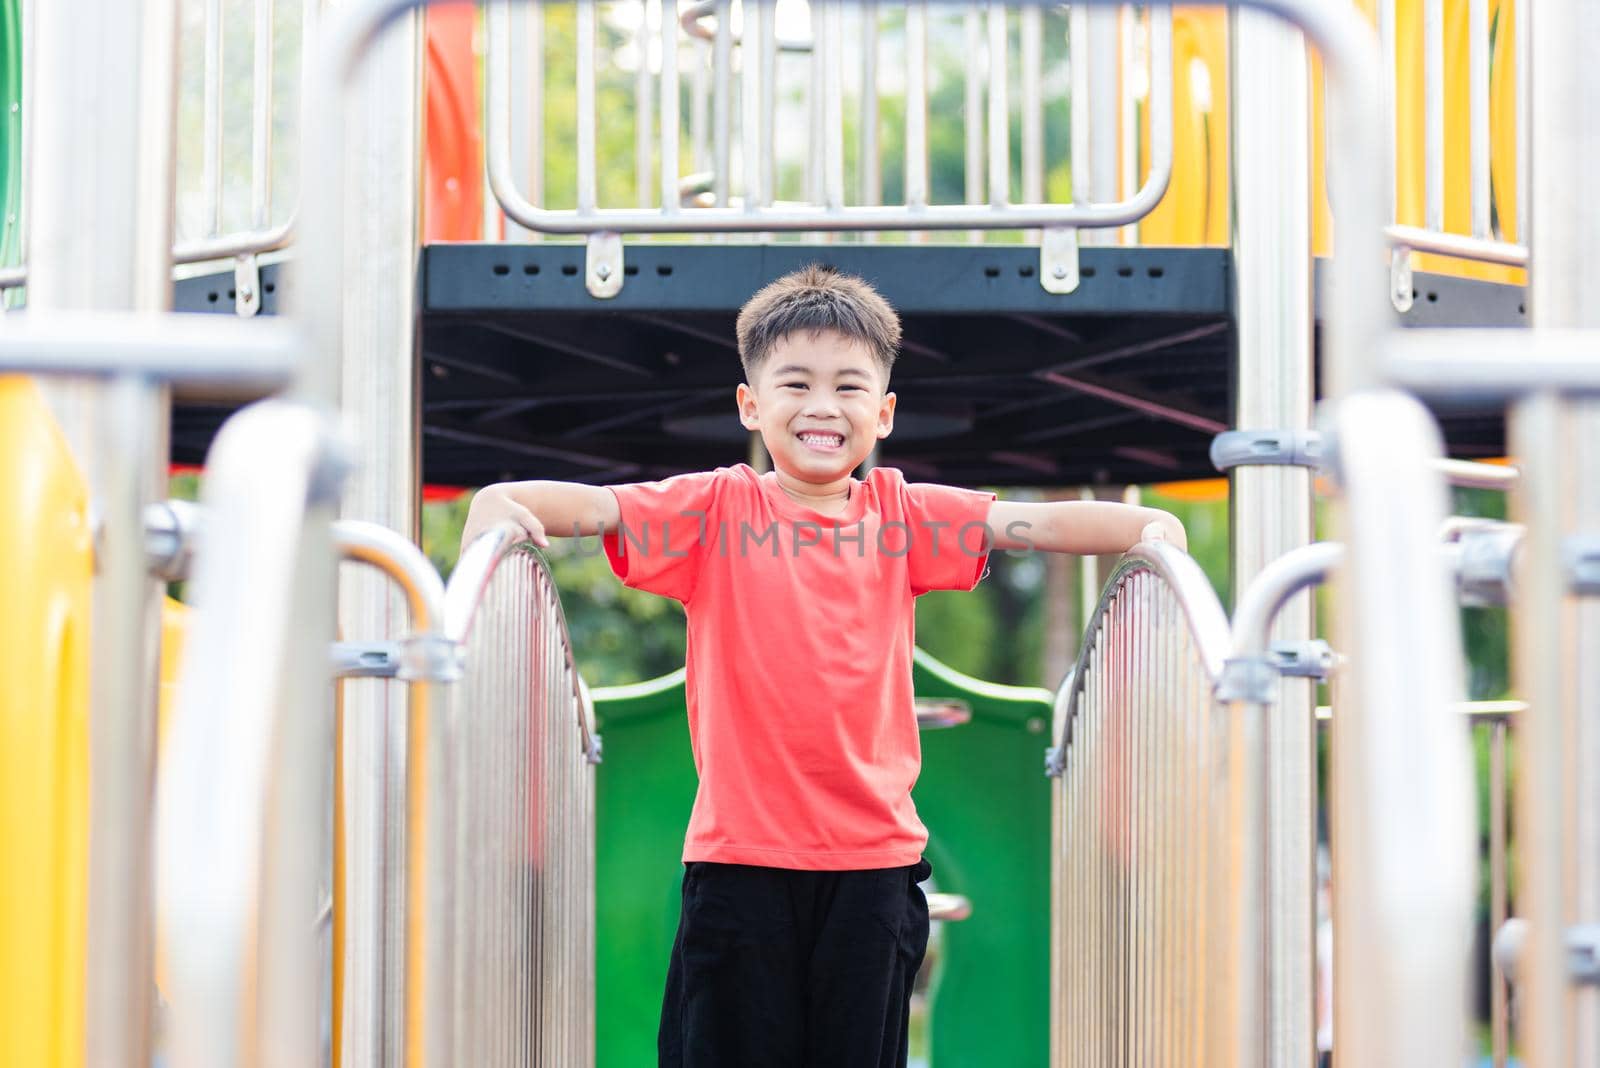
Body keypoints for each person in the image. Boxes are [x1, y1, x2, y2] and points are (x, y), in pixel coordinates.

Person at [460, 265, 1186, 1067]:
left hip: (873, 866)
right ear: (751, 403)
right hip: (740, 863)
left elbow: (1031, 525)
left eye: (849, 386)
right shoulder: (715, 508)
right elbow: (600, 508)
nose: (821, 407)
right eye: (795, 383)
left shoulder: (903, 515)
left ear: (883, 412)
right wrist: (501, 500)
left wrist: (1147, 527)